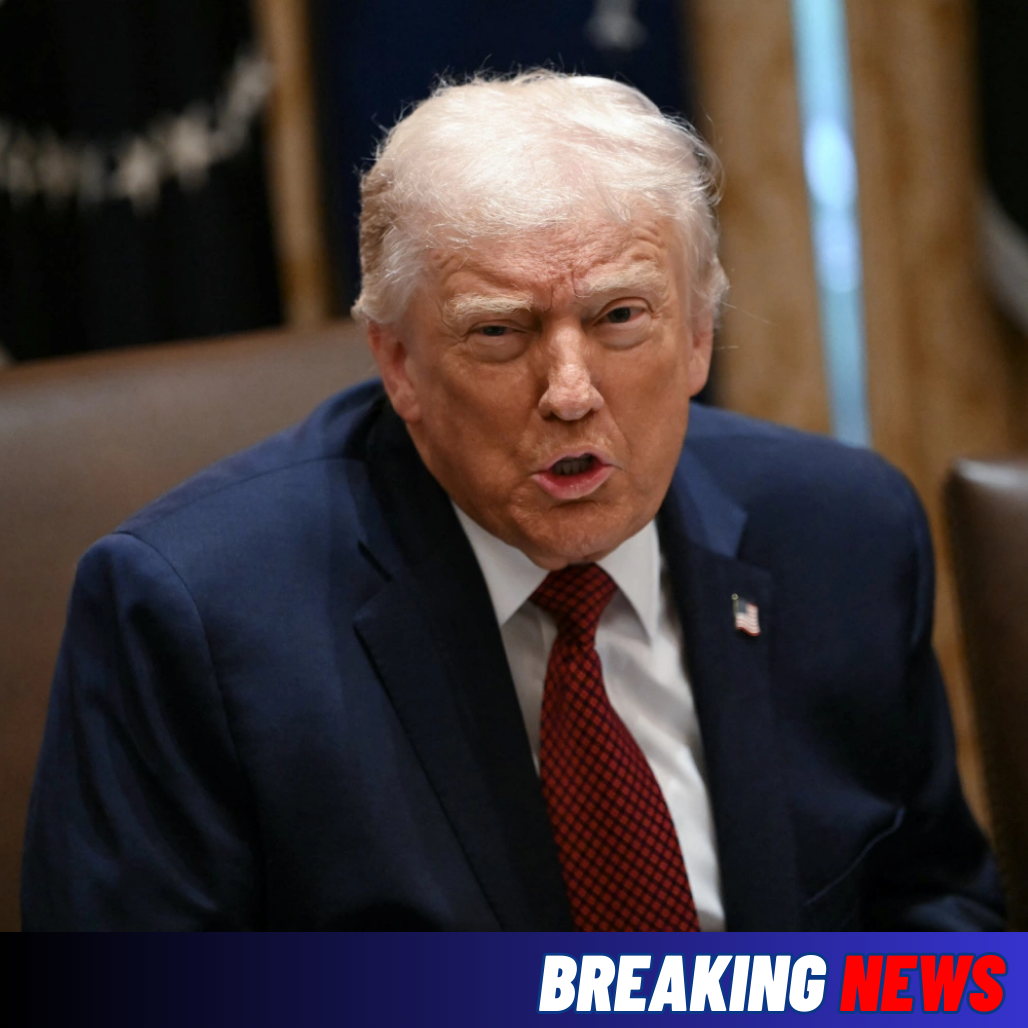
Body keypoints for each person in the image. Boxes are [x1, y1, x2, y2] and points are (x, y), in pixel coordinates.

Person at [22, 71, 1003, 931]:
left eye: (620, 316)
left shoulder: (841, 532)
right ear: (397, 362)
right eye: (499, 332)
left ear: (700, 333)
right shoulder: (195, 616)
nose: (570, 392)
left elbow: (934, 915)